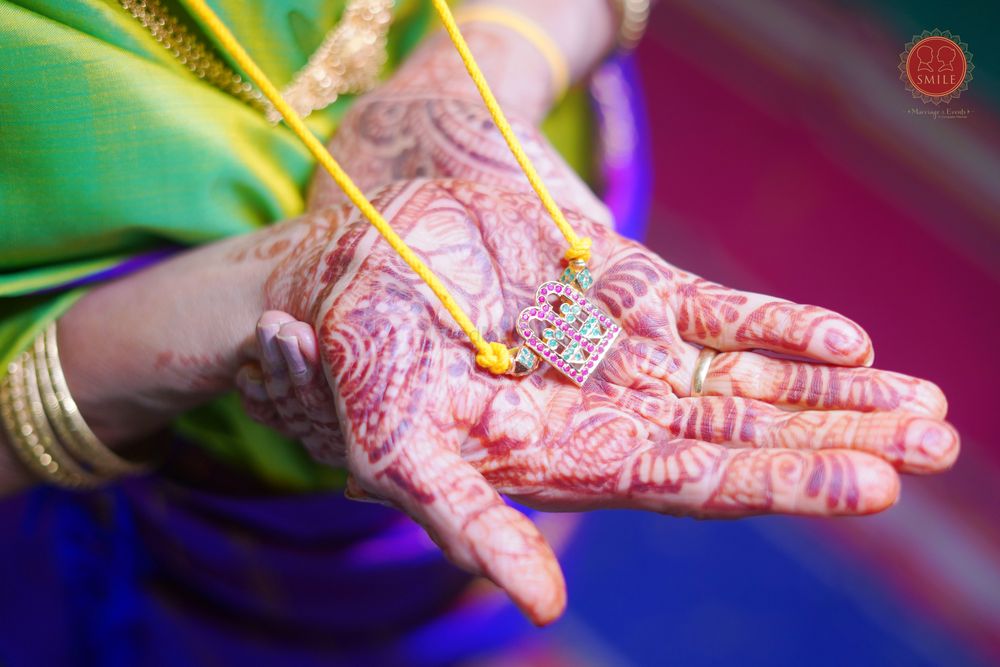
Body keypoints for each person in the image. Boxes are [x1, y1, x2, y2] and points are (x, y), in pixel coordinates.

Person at [0, 0, 957, 663]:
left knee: (535, 492)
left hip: (529, 196)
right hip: (169, 461)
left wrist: (472, 74)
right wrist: (265, 292)